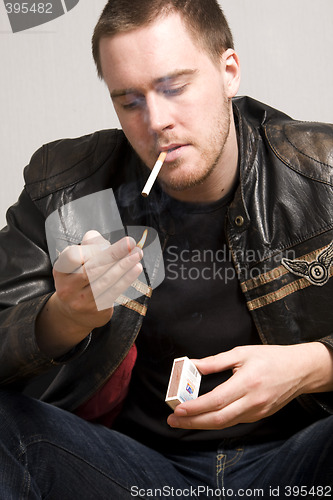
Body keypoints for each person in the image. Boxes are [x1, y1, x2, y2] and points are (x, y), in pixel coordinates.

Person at [0, 0, 332, 498]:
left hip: (299, 457)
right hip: (134, 471)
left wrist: (312, 367)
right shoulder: (65, 189)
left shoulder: (322, 173)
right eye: (129, 101)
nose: (156, 121)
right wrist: (66, 316)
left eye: (174, 88)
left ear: (229, 71)